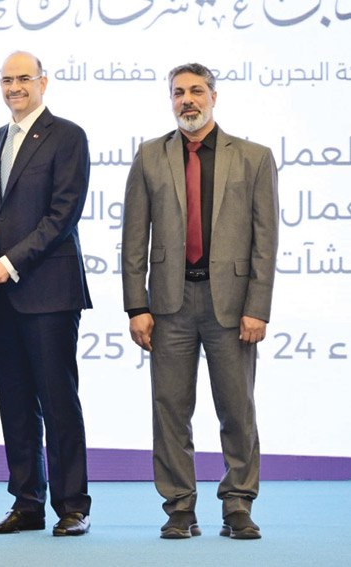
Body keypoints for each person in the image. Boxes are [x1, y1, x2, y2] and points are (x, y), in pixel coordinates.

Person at [121, 63, 279, 540]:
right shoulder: (149, 156)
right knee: (170, 409)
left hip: (231, 306)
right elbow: (134, 239)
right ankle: (179, 508)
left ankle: (238, 504)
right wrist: (136, 306)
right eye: (178, 93)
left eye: (195, 91)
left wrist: (258, 307)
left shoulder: (254, 157)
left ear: (213, 96)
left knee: (237, 409)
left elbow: (265, 241)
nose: (186, 100)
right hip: (169, 305)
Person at [0, 52, 93, 537]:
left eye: (24, 78)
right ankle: (27, 503)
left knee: (58, 402)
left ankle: (73, 506)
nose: (14, 87)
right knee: (15, 402)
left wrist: (10, 262)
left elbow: (63, 215)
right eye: (7, 79)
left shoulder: (68, 136)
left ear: (44, 82)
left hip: (48, 292)